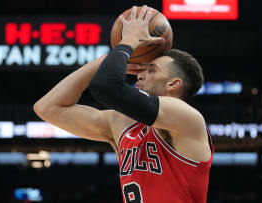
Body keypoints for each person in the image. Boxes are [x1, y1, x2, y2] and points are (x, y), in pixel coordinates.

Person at [34, 5, 213, 203]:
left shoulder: (187, 118)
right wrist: (103, 60)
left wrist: (128, 41)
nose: (141, 74)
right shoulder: (123, 123)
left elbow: (106, 87)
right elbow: (47, 108)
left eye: (151, 70)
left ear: (174, 83)